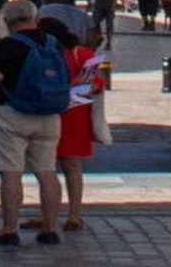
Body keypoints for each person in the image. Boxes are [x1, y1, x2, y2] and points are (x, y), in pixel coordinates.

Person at [0, 6, 71, 246]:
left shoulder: (4, 47)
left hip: (12, 112)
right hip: (49, 113)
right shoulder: (53, 44)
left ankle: (9, 228)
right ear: (35, 19)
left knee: (10, 173)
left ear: (7, 21)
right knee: (47, 172)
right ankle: (49, 228)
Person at [49, 12, 101, 235]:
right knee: (47, 167)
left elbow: (96, 83)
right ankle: (48, 213)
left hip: (73, 114)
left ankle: (74, 214)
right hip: (52, 113)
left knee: (71, 165)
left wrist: (71, 86)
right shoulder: (44, 55)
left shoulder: (82, 53)